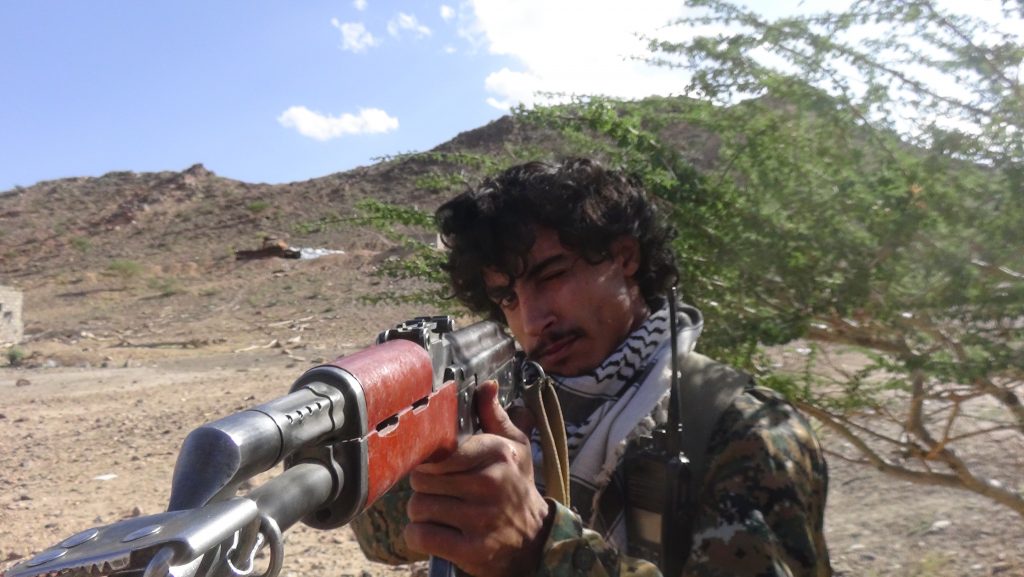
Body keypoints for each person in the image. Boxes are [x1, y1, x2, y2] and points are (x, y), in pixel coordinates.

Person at [351, 158, 832, 577]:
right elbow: (384, 539)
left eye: (552, 276)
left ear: (625, 257)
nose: (532, 321)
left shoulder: (745, 431)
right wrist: (427, 447)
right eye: (507, 298)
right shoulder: (518, 407)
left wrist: (539, 547)